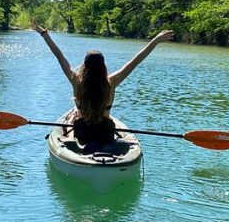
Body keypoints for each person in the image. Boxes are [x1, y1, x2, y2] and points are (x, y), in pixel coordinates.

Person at [31, 20, 174, 147]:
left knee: (74, 118)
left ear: (84, 66)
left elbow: (59, 55)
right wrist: (155, 40)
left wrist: (42, 32)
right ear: (103, 66)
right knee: (87, 118)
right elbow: (135, 61)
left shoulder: (76, 81)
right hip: (105, 134)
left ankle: (72, 136)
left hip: (83, 135)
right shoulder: (111, 82)